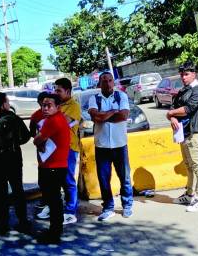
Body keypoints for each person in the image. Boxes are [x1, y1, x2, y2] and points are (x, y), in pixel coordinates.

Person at [0, 92, 31, 234]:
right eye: (7, 101)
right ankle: (23, 221)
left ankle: (3, 222)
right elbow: (26, 137)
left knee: (0, 192)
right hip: (13, 158)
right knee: (17, 190)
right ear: (4, 103)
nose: (9, 104)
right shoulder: (14, 118)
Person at [87, 71, 133, 221]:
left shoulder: (122, 96)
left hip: (120, 145)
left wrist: (103, 116)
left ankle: (127, 205)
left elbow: (124, 116)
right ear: (99, 83)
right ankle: (108, 207)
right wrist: (113, 111)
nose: (107, 83)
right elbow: (95, 117)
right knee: (104, 179)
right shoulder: (94, 98)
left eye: (110, 80)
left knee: (124, 177)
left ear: (114, 82)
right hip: (102, 147)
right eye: (104, 81)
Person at [167, 62, 198, 212]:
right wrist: (172, 118)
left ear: (194, 74)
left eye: (186, 74)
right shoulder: (182, 91)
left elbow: (188, 109)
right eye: (182, 74)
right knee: (189, 166)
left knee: (197, 165)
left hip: (194, 132)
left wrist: (172, 113)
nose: (183, 77)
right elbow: (172, 109)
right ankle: (189, 194)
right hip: (182, 134)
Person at [43, 77, 81, 226]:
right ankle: (56, 208)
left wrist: (52, 112)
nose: (56, 93)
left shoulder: (73, 106)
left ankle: (71, 211)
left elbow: (61, 121)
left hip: (69, 148)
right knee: (55, 180)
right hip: (54, 148)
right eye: (55, 90)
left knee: (68, 179)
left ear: (68, 91)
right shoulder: (57, 104)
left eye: (59, 90)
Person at [33, 93, 71, 245]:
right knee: (53, 199)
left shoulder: (53, 121)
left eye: (49, 105)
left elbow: (37, 140)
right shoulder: (55, 118)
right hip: (53, 165)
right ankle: (55, 229)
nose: (45, 108)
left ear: (58, 107)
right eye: (43, 105)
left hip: (53, 167)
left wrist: (39, 141)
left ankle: (55, 233)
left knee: (53, 200)